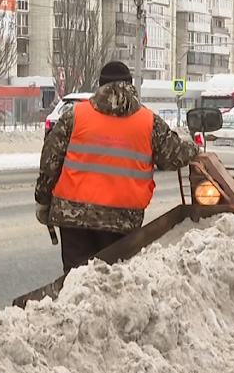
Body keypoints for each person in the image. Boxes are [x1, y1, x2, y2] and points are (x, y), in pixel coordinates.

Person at [35, 61, 201, 275]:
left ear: (99, 85)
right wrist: (194, 148)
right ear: (130, 85)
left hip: (73, 218)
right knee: (116, 281)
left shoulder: (75, 116)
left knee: (75, 283)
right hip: (122, 221)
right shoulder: (149, 122)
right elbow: (173, 156)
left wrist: (43, 200)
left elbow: (50, 162)